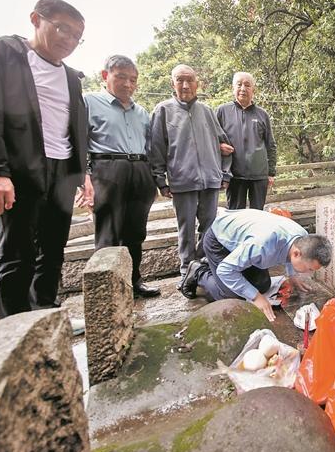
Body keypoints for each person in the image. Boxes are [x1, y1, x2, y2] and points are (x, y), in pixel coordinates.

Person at [0, 0, 88, 318]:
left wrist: (81, 173)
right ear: (35, 19)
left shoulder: (71, 76)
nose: (69, 40)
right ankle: (15, 327)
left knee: (53, 251)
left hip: (61, 171)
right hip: (18, 170)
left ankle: (44, 312)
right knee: (17, 254)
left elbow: (75, 125)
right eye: (62, 29)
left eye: (76, 36)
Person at [78, 55, 159, 298]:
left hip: (140, 171)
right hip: (107, 171)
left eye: (133, 79)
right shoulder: (88, 102)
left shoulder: (141, 112)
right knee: (109, 233)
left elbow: (151, 146)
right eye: (121, 77)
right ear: (105, 76)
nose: (128, 84)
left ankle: (135, 282)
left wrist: (154, 179)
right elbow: (79, 142)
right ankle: (108, 291)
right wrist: (84, 178)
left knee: (136, 232)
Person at [149, 64, 234, 289]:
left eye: (190, 80)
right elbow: (156, 147)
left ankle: (203, 264)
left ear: (197, 84)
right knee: (185, 228)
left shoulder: (206, 111)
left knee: (209, 226)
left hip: (210, 180)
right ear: (172, 84)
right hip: (182, 180)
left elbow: (225, 144)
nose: (185, 85)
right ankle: (187, 269)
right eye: (180, 80)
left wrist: (225, 173)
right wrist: (160, 179)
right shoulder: (163, 110)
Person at [181, 209, 331, 322]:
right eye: (309, 269)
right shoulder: (263, 246)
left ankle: (213, 264)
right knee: (231, 295)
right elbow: (225, 270)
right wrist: (256, 298)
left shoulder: (303, 238)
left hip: (244, 239)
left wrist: (292, 276)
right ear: (297, 254)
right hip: (220, 240)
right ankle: (198, 271)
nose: (309, 273)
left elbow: (293, 254)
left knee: (263, 284)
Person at [216, 72, 277, 210]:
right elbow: (210, 138)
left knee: (257, 214)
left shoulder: (262, 114)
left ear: (253, 90)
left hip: (259, 175)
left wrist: (271, 172)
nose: (243, 88)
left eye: (247, 85)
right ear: (233, 88)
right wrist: (218, 146)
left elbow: (270, 144)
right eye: (239, 84)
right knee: (236, 215)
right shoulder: (222, 111)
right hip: (234, 175)